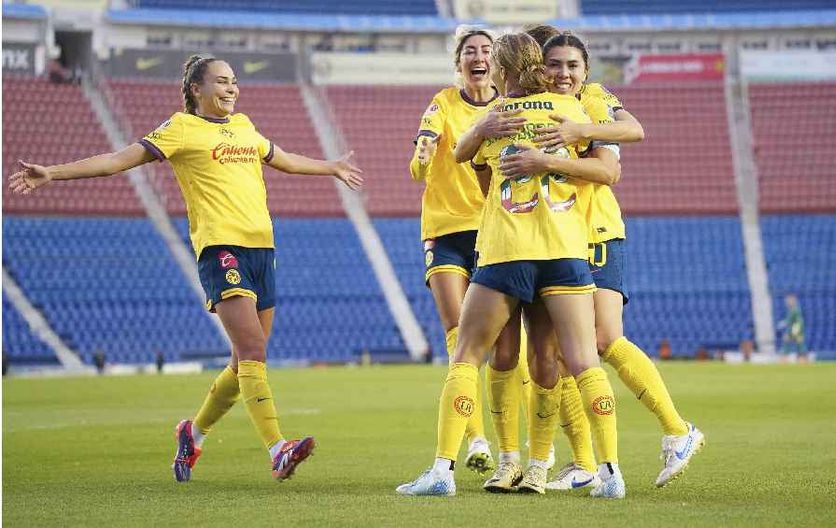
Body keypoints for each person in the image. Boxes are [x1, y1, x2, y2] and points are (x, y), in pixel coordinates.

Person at [8, 55, 364, 484]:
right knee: (252, 351)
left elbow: (283, 158)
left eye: (234, 81)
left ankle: (192, 434)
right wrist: (52, 173)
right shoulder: (180, 128)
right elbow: (118, 159)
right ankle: (277, 449)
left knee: (244, 362)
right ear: (197, 89)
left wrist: (331, 167)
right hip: (221, 248)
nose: (231, 89)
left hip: (262, 250)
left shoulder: (244, 126)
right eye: (221, 81)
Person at [397, 32, 625, 499]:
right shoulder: (571, 110)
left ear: (502, 71)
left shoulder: (499, 114)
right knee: (578, 361)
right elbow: (605, 164)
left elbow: (461, 156)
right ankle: (606, 472)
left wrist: (482, 129)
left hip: (506, 251)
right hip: (564, 252)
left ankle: (443, 470)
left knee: (467, 354)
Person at [486, 31, 705, 490]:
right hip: (557, 241)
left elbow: (612, 164)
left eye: (572, 66)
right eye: (553, 65)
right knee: (557, 354)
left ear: (586, 71)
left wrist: (574, 136)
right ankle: (584, 462)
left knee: (602, 339)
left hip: (597, 234)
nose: (562, 73)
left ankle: (677, 429)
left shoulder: (592, 100)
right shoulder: (538, 107)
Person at [409, 26, 514, 475]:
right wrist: (423, 155)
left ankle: (517, 449)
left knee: (507, 347)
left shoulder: (507, 107)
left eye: (486, 50)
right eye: (470, 51)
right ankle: (476, 439)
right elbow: (422, 154)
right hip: (445, 231)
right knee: (458, 334)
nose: (478, 56)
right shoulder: (443, 103)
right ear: (459, 62)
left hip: (493, 231)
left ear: (496, 61)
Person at [778, 293, 806, 360]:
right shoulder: (792, 310)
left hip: (796, 330)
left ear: (793, 301)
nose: (787, 302)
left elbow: (798, 322)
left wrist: (793, 333)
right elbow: (790, 321)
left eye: (788, 301)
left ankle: (785, 358)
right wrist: (785, 322)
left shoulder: (795, 310)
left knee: (797, 345)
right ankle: (800, 358)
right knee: (799, 345)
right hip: (795, 330)